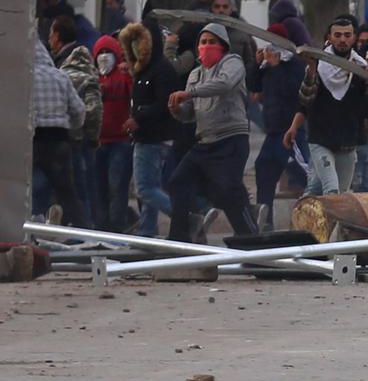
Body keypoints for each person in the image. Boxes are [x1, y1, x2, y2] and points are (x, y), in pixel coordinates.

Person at [166, 23, 258, 240]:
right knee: (178, 182)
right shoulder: (195, 74)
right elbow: (189, 114)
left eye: (212, 42)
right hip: (204, 141)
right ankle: (180, 240)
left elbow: (224, 85)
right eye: (203, 42)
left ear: (223, 45)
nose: (206, 46)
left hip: (230, 139)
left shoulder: (233, 63)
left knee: (227, 190)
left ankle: (251, 239)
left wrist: (190, 94)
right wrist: (177, 109)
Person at [287, 16, 368, 197]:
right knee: (331, 191)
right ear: (329, 37)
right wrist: (311, 71)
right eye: (338, 35)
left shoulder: (361, 69)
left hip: (347, 142)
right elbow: (305, 101)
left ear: (354, 37)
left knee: (332, 194)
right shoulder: (317, 63)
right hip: (320, 140)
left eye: (347, 35)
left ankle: (308, 221)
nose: (342, 40)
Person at [119, 18, 181, 237]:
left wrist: (139, 119)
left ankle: (185, 217)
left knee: (144, 188)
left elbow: (163, 102)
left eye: (139, 41)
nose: (136, 46)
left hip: (153, 137)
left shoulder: (161, 69)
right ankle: (147, 230)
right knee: (151, 187)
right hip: (147, 136)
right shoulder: (143, 70)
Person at [30, 37, 89, 228]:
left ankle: (33, 226)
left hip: (32, 140)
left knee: (30, 189)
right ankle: (83, 231)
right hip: (59, 140)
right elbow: (80, 109)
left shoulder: (24, 77)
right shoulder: (60, 76)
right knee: (67, 191)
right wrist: (71, 126)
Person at [250, 25, 305, 229]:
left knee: (302, 175)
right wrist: (256, 65)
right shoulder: (267, 67)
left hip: (292, 131)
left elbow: (292, 92)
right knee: (263, 170)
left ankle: (318, 217)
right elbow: (255, 88)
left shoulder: (294, 65)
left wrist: (277, 67)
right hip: (272, 132)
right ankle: (265, 222)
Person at [49, 15, 101, 226]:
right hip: (80, 139)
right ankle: (84, 227)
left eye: (52, 34)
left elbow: (88, 109)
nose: (50, 39)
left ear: (59, 36)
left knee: (75, 189)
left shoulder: (61, 68)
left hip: (70, 138)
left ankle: (82, 229)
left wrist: (84, 132)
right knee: (83, 188)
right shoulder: (87, 71)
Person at [93, 35, 133, 232]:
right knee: (99, 187)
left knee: (117, 186)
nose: (104, 56)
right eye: (100, 53)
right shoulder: (93, 78)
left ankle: (117, 227)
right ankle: (101, 227)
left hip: (120, 141)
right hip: (98, 141)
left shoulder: (124, 76)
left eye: (107, 52)